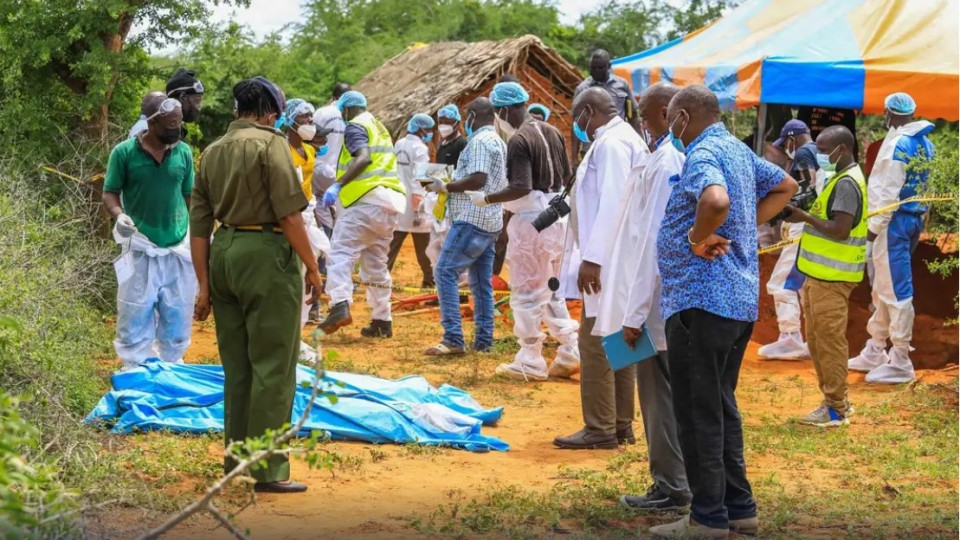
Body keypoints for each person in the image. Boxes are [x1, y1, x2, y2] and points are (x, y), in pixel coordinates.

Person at [648, 85, 797, 539]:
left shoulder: (705, 152)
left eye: (672, 117)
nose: (671, 126)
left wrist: (697, 236)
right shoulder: (737, 148)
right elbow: (786, 186)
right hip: (735, 302)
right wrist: (741, 225)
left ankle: (707, 518)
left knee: (698, 412)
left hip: (701, 302)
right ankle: (738, 510)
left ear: (684, 117)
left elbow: (714, 201)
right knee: (721, 407)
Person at [190, 77, 319, 494]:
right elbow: (290, 216)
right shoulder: (271, 145)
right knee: (274, 366)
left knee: (238, 366)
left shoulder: (210, 152)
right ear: (270, 111)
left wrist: (204, 287)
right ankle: (266, 469)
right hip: (266, 255)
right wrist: (313, 268)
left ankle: (235, 461)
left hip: (222, 251)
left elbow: (198, 228)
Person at [613, 83, 691, 511]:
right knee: (659, 399)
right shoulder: (660, 158)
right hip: (652, 303)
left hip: (654, 307)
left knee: (659, 402)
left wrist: (634, 311)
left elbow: (651, 244)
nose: (640, 122)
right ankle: (671, 482)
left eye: (643, 114)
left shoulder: (666, 163)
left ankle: (673, 488)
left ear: (664, 112)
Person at [551, 87, 641, 450]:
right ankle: (621, 423)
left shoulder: (613, 145)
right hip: (618, 259)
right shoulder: (618, 139)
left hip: (610, 260)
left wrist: (594, 258)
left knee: (594, 344)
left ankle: (600, 428)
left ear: (588, 111)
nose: (576, 125)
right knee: (619, 339)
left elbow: (614, 203)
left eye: (576, 116)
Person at [479, 82, 579, 381]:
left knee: (525, 292)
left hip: (533, 223)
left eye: (497, 113)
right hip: (558, 217)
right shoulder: (551, 131)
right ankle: (570, 350)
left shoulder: (519, 140)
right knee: (552, 289)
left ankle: (530, 360)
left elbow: (520, 186)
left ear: (504, 110)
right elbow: (565, 176)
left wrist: (487, 198)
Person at [103, 94, 197, 372]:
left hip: (178, 246)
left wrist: (199, 232)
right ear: (151, 123)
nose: (175, 131)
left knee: (178, 310)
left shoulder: (184, 153)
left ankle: (173, 366)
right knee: (135, 309)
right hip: (140, 246)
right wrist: (120, 216)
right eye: (169, 126)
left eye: (178, 125)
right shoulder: (124, 153)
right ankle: (134, 368)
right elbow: (110, 193)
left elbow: (189, 196)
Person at [782, 125, 866, 426]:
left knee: (828, 340)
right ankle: (837, 400)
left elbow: (840, 230)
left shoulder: (846, 183)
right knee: (818, 340)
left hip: (832, 278)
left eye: (823, 148)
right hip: (821, 276)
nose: (819, 154)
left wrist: (803, 216)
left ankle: (835, 409)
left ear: (841, 149)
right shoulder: (842, 179)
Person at [849, 92, 935, 384]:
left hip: (892, 224)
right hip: (911, 220)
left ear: (887, 113)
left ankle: (900, 359)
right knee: (885, 287)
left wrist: (872, 234)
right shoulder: (926, 144)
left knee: (896, 290)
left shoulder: (898, 144)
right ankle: (876, 347)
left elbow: (887, 193)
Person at [317, 90, 405, 339]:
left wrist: (338, 184)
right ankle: (382, 320)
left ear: (345, 110)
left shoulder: (355, 126)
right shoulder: (379, 126)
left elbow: (363, 158)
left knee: (341, 252)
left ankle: (339, 304)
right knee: (376, 263)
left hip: (365, 201)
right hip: (388, 205)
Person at [423, 98, 507, 355]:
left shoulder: (480, 142)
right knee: (481, 282)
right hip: (490, 220)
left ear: (471, 117)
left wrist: (446, 186)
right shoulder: (497, 141)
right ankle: (483, 340)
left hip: (472, 219)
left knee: (444, 272)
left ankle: (453, 338)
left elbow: (479, 179)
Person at [758, 119, 820, 360]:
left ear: (791, 139)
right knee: (802, 286)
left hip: (802, 229)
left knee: (781, 282)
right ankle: (809, 339)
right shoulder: (821, 154)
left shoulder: (805, 153)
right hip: (812, 229)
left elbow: (808, 193)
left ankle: (790, 336)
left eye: (786, 145)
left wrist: (781, 211)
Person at [281, 98, 332, 324]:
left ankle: (300, 325)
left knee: (306, 272)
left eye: (311, 117)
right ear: (291, 120)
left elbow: (308, 190)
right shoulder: (281, 149)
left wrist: (316, 221)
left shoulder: (310, 151)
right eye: (304, 117)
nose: (310, 121)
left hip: (306, 217)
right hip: (287, 218)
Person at [388, 113, 435, 287]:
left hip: (398, 198)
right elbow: (420, 176)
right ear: (421, 129)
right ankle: (429, 280)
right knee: (424, 245)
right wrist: (418, 197)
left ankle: (381, 277)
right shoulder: (421, 149)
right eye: (429, 129)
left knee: (393, 242)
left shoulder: (399, 144)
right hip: (415, 202)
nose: (430, 133)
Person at [571, 49, 642, 164]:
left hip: (618, 145)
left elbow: (633, 116)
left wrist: (640, 142)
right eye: (593, 68)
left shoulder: (622, 85)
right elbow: (576, 124)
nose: (596, 71)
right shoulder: (583, 89)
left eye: (600, 68)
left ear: (608, 66)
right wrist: (574, 158)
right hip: (591, 148)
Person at [312, 83, 351, 233]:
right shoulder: (349, 117)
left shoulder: (321, 112)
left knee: (322, 211)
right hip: (337, 175)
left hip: (318, 169)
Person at [165, 68, 205, 141]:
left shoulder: (177, 131)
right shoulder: (162, 134)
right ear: (183, 97)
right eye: (197, 100)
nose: (199, 107)